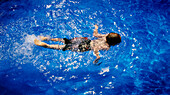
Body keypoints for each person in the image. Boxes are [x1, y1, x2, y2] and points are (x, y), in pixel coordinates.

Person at [34, 25, 121, 64]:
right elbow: (96, 48)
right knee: (62, 47)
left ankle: (46, 38)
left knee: (65, 41)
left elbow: (95, 35)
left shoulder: (105, 36)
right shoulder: (107, 47)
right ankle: (45, 45)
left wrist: (96, 28)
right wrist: (97, 57)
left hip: (85, 40)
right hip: (85, 47)